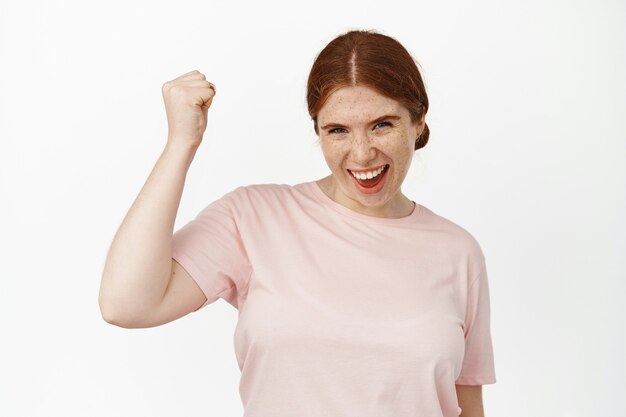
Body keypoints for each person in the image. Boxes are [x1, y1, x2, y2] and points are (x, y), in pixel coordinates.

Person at [99, 29, 496, 417]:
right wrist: (181, 143)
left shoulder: (457, 252)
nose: (362, 153)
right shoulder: (253, 217)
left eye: (383, 124)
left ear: (418, 121)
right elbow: (125, 304)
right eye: (337, 130)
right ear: (318, 131)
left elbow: (467, 407)